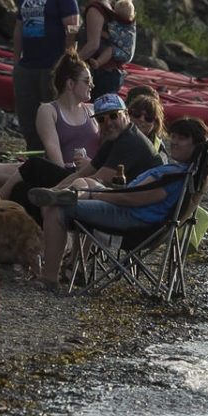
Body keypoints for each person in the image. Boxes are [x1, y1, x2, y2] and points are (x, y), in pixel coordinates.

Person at [31, 93, 167, 290]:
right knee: (75, 187)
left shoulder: (130, 141)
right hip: (124, 204)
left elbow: (100, 176)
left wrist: (57, 193)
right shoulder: (116, 139)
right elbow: (87, 170)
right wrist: (53, 190)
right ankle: (70, 265)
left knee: (69, 197)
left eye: (113, 116)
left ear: (125, 115)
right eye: (102, 119)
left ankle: (53, 277)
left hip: (136, 216)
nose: (107, 123)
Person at [29, 116, 208, 238]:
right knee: (85, 182)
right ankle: (70, 195)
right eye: (174, 136)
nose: (174, 142)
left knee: (55, 209)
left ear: (196, 145)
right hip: (134, 211)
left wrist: (98, 195)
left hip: (133, 219)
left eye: (181, 138)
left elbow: (132, 198)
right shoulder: (181, 170)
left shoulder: (174, 176)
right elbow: (133, 194)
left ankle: (49, 277)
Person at [0, 53, 97, 216]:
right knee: (17, 181)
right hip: (61, 173)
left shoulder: (94, 110)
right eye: (87, 81)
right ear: (70, 83)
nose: (91, 85)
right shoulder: (49, 110)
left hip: (89, 176)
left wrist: (92, 165)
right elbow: (52, 149)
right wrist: (65, 175)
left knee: (28, 168)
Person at [10, 0, 80, 151]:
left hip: (52, 66)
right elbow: (18, 28)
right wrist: (16, 61)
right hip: (27, 66)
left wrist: (69, 59)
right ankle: (34, 156)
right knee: (27, 115)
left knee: (52, 116)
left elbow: (73, 27)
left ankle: (56, 158)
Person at [74, 0, 125, 97]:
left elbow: (93, 45)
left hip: (102, 74)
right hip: (112, 73)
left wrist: (71, 64)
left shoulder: (94, 9)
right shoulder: (108, 4)